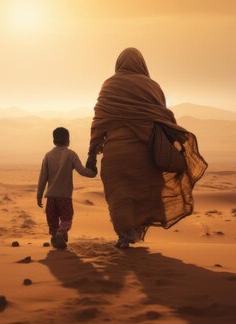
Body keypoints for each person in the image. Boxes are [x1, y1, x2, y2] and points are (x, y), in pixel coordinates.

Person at [89, 47, 207, 249]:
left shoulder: (110, 84)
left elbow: (99, 122)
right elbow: (165, 118)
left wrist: (91, 155)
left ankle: (124, 234)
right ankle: (132, 232)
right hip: (145, 153)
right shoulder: (152, 86)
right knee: (145, 194)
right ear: (142, 64)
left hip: (115, 153)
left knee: (118, 195)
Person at [37, 127, 97, 249]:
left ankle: (56, 237)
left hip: (51, 197)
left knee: (52, 222)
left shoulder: (48, 156)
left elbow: (42, 178)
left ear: (54, 141)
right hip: (64, 196)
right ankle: (61, 233)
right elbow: (82, 170)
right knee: (66, 219)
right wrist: (93, 173)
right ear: (68, 140)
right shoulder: (71, 154)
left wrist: (39, 195)